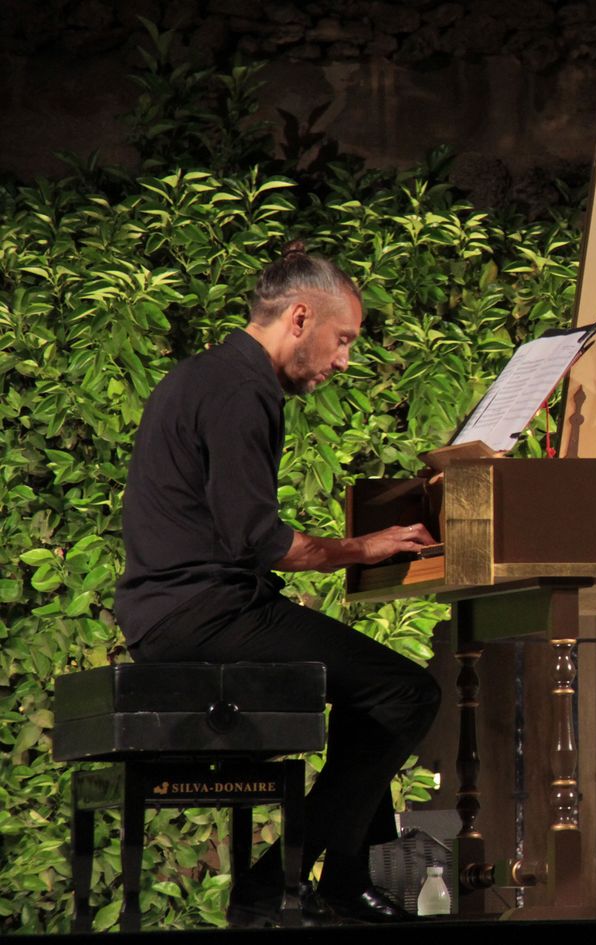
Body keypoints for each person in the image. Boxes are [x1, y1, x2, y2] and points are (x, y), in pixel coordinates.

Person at [114, 243, 441, 926]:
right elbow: (257, 539)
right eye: (342, 338)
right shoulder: (242, 390)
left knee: (369, 690)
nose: (344, 359)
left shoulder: (210, 375)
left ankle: (346, 879)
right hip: (201, 618)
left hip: (179, 611)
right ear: (300, 317)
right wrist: (362, 547)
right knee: (408, 690)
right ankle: (272, 886)